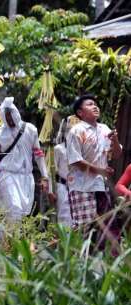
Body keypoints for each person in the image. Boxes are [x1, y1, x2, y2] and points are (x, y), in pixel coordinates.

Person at [66, 95, 122, 249]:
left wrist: (115, 140)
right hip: (81, 187)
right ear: (80, 112)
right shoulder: (76, 131)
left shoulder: (105, 129)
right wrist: (100, 170)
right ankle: (77, 264)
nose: (95, 106)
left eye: (96, 104)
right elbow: (76, 160)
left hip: (100, 186)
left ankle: (107, 264)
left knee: (107, 226)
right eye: (90, 104)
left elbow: (116, 154)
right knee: (84, 229)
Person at [0, 97, 49, 226]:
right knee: (14, 209)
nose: (10, 119)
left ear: (16, 113)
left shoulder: (31, 129)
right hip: (7, 175)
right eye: (6, 117)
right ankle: (12, 243)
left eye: (11, 115)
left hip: (26, 177)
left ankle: (2, 243)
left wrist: (45, 176)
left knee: (19, 214)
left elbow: (38, 153)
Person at [52, 118, 73, 227]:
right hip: (62, 186)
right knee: (63, 215)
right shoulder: (58, 149)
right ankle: (62, 242)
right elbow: (52, 170)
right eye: (69, 131)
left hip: (77, 187)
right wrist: (51, 190)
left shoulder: (81, 151)